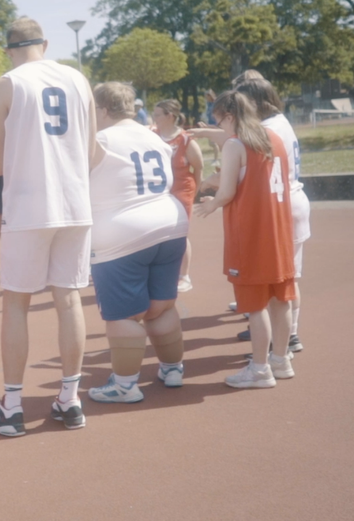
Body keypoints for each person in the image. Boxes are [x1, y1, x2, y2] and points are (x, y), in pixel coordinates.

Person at [0, 16, 95, 435]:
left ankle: (12, 405)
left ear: (9, 48)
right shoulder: (78, 80)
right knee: (68, 300)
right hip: (74, 202)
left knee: (16, 302)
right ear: (44, 44)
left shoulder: (7, 83)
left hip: (30, 205)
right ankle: (70, 399)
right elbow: (91, 150)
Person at [86, 83, 189, 403]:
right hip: (170, 223)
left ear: (102, 110)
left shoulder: (100, 140)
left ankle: (125, 385)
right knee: (161, 307)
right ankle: (172, 368)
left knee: (124, 315)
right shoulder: (154, 135)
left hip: (123, 232)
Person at [193, 91, 296, 388]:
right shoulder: (273, 137)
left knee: (254, 306)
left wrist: (210, 203)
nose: (221, 127)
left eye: (220, 121)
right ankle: (281, 358)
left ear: (230, 116)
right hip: (278, 230)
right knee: (281, 300)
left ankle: (260, 369)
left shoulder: (236, 144)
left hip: (250, 232)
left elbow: (227, 193)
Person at [236, 79, 310, 353]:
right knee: (289, 279)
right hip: (292, 200)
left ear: (254, 103)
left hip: (279, 207)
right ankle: (289, 336)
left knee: (274, 285)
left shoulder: (264, 131)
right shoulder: (281, 122)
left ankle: (279, 343)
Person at [152, 99, 203, 292]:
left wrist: (194, 192)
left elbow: (198, 167)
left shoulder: (184, 139)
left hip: (182, 190)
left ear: (170, 116)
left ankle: (184, 275)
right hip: (160, 191)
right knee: (158, 232)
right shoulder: (152, 135)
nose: (154, 118)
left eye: (157, 115)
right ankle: (164, 272)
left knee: (179, 234)